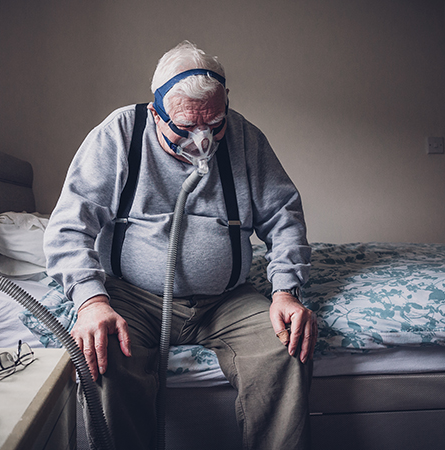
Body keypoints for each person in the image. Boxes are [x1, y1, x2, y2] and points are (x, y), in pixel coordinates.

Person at [43, 40, 316, 450]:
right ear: (156, 113)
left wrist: (285, 291)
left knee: (285, 350)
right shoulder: (120, 133)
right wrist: (90, 302)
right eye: (186, 127)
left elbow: (284, 217)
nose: (202, 141)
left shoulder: (243, 137)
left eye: (214, 124)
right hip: (133, 296)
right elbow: (69, 225)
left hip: (225, 300)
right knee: (104, 358)